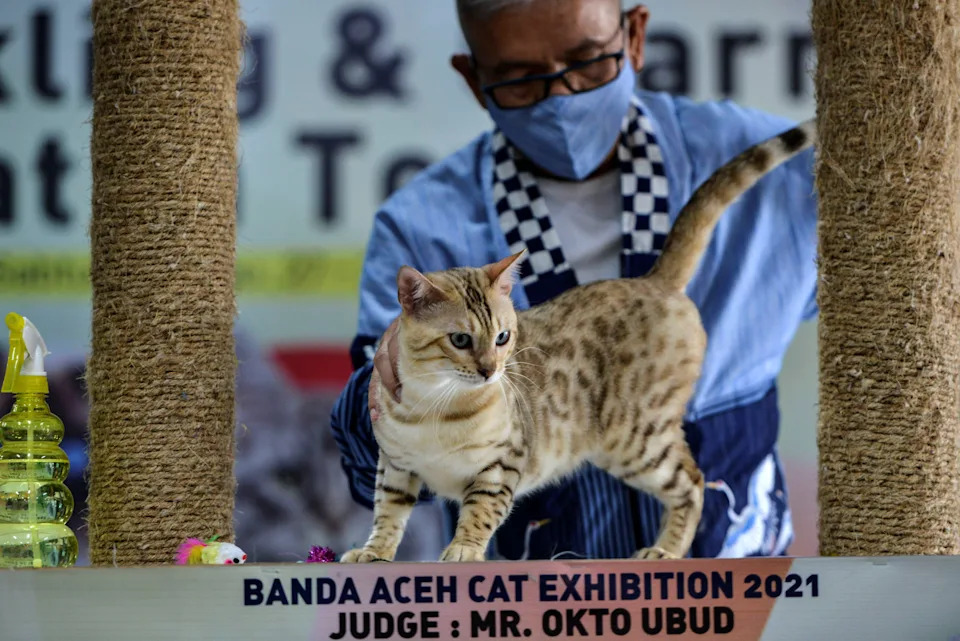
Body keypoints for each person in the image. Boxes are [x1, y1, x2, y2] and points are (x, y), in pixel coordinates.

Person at [330, 0, 817, 561]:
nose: (560, 98)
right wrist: (388, 385)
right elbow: (368, 456)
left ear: (634, 36)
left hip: (741, 583)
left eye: (588, 62)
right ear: (473, 78)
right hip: (527, 605)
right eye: (518, 80)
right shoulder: (421, 226)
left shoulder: (771, 168)